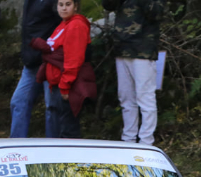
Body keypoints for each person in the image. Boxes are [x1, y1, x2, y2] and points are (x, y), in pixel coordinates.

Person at [102, 0, 165, 146]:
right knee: (125, 97)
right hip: (122, 48)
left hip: (143, 50)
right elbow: (108, 4)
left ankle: (146, 142)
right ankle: (128, 140)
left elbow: (157, 13)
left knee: (145, 97)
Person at [32, 0, 94, 138]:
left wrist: (65, 86)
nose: (64, 8)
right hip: (57, 83)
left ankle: (71, 159)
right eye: (61, 5)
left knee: (68, 132)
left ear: (76, 6)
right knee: (61, 129)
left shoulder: (76, 25)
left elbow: (73, 59)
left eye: (68, 4)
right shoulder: (63, 24)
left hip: (68, 85)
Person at [9, 0, 60, 137]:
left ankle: (54, 149)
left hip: (49, 62)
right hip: (31, 63)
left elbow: (62, 25)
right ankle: (15, 148)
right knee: (18, 102)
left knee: (52, 107)